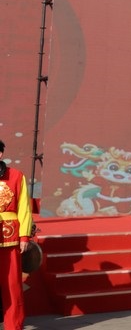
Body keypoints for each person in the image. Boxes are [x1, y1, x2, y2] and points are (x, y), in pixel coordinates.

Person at [0, 140, 33, 330]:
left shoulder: (16, 176)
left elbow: (24, 208)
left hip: (8, 239)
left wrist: (24, 236)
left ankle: (14, 326)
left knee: (11, 285)